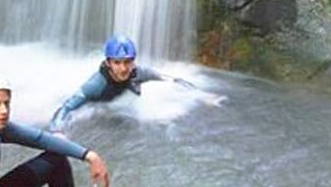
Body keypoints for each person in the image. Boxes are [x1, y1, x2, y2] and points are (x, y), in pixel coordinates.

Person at [48, 34, 220, 132]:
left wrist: (203, 95)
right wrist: (57, 133)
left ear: (133, 61)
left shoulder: (139, 73)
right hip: (95, 111)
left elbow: (175, 80)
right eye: (117, 62)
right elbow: (66, 108)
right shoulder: (96, 84)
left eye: (127, 62)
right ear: (108, 63)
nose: (123, 68)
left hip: (122, 109)